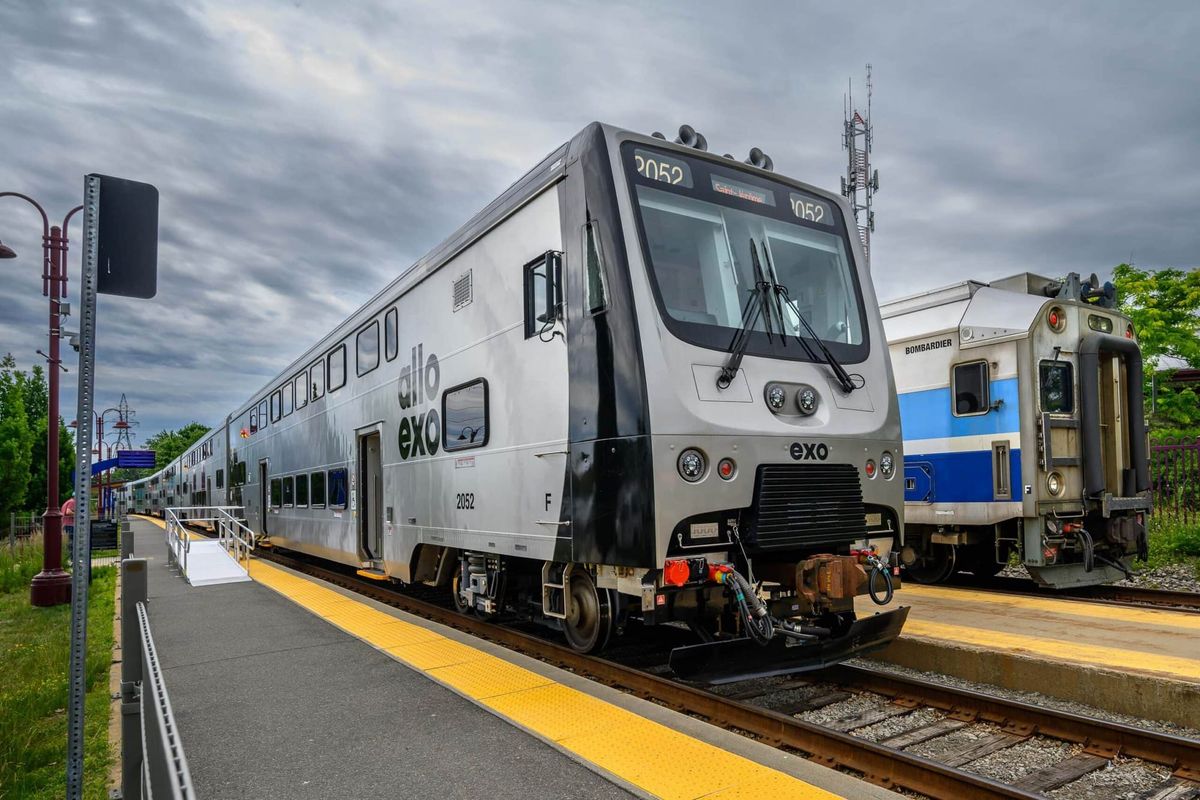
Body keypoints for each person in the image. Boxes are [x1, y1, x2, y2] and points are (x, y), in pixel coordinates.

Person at [61, 496, 76, 560]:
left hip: (65, 525)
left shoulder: (66, 502)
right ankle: (72, 559)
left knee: (67, 543)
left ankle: (68, 558)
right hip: (70, 525)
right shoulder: (73, 502)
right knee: (72, 542)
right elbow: (68, 512)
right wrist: (78, 514)